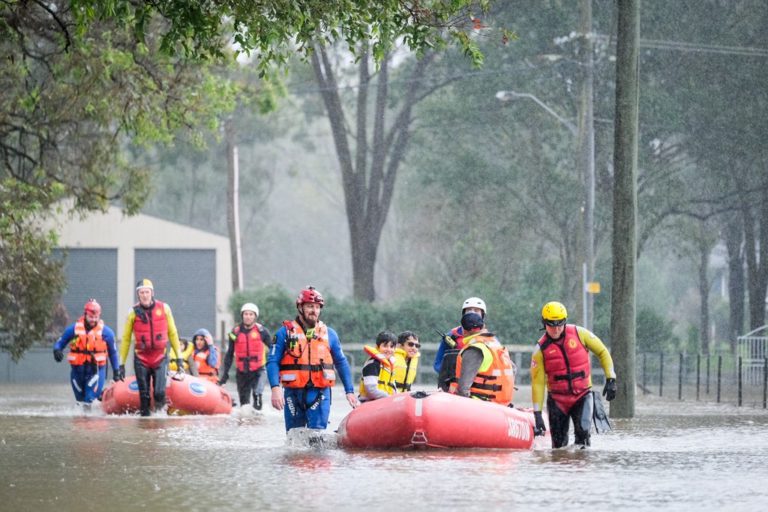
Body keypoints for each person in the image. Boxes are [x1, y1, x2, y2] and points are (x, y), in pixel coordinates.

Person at [267, 286, 358, 431]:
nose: (314, 310)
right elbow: (272, 361)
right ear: (300, 308)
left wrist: (349, 391)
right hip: (293, 393)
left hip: (320, 393)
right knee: (294, 437)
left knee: (317, 436)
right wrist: (275, 388)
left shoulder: (330, 334)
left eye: (317, 307)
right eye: (310, 306)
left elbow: (341, 362)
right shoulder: (284, 333)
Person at [530, 301, 617, 448]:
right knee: (558, 447)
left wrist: (611, 378)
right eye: (551, 324)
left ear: (565, 321)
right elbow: (537, 383)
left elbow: (602, 352)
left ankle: (582, 462)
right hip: (557, 401)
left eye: (560, 324)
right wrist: (537, 414)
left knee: (583, 435)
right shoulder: (539, 350)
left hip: (582, 396)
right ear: (544, 323)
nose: (556, 329)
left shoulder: (580, 334)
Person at [119, 279, 183, 416]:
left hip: (160, 358)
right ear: (138, 295)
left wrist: (179, 359)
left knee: (159, 392)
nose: (144, 295)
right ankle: (145, 423)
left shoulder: (165, 308)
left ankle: (160, 419)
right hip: (141, 359)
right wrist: (121, 364)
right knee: (144, 396)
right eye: (141, 293)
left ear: (152, 293)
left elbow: (173, 333)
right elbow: (126, 339)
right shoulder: (132, 312)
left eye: (147, 292)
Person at [53, 299, 120, 410]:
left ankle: (92, 414)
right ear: (85, 315)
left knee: (88, 399)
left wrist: (116, 371)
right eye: (91, 317)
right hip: (77, 372)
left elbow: (113, 353)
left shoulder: (107, 333)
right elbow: (60, 343)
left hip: (96, 371)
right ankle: (83, 419)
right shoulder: (73, 329)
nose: (93, 320)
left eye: (96, 317)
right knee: (80, 401)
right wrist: (57, 351)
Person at [449, 312, 515, 406]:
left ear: (464, 330)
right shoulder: (496, 345)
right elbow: (513, 369)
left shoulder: (474, 349)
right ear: (483, 326)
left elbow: (463, 388)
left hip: (481, 404)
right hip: (502, 404)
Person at [219, 303, 271, 410]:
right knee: (244, 405)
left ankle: (258, 418)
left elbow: (273, 348)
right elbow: (229, 354)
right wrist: (225, 375)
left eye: (251, 314)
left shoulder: (262, 331)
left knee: (257, 396)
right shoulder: (235, 332)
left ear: (255, 316)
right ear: (242, 315)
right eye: (246, 314)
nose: (248, 317)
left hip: (258, 370)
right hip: (242, 372)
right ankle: (245, 420)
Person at [434, 296, 487, 391]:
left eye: (476, 310)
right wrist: (449, 377)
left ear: (482, 315)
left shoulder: (489, 339)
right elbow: (438, 363)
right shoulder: (451, 336)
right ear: (463, 314)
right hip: (451, 386)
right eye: (469, 310)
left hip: (478, 388)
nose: (472, 313)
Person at [358, 331, 397, 402]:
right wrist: (389, 398)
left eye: (391, 347)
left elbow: (393, 389)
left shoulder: (389, 366)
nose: (389, 349)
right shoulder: (373, 364)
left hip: (383, 401)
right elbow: (371, 390)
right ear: (377, 347)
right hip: (369, 403)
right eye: (385, 346)